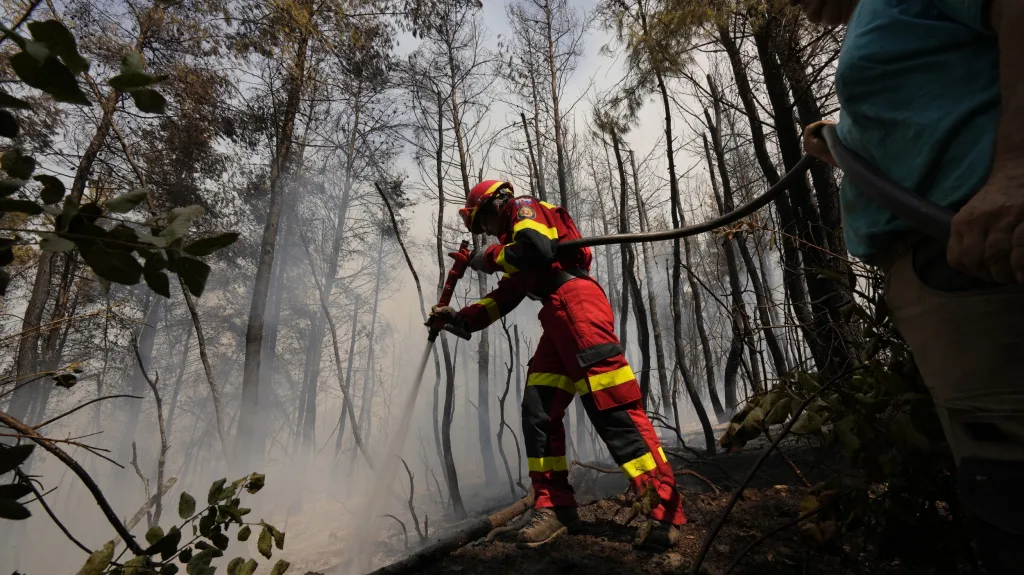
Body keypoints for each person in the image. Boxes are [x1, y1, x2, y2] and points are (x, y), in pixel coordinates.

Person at [796, 0, 1023, 572]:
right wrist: (844, 139)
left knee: (1012, 492)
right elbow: (934, 119)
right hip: (951, 281)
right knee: (997, 490)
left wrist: (1016, 174)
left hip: (983, 273)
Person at [428, 180, 686, 549]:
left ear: (495, 205)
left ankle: (663, 511)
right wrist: (458, 319)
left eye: (482, 222)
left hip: (578, 307)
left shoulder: (523, 208)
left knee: (614, 409)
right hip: (558, 317)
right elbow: (506, 296)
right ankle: (555, 508)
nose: (485, 230)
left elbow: (536, 247)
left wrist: (487, 257)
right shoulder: (516, 249)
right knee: (538, 411)